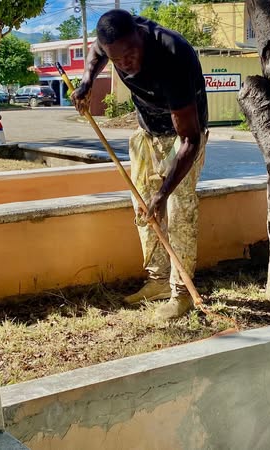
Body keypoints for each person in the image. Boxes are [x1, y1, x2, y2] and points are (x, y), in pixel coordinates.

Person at [71, 9, 209, 319]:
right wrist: (86, 82)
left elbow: (190, 140)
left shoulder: (172, 56)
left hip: (183, 138)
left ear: (140, 34)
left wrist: (163, 193)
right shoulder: (111, 43)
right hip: (147, 131)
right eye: (117, 60)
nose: (125, 63)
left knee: (178, 210)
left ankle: (181, 293)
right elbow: (96, 51)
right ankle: (158, 280)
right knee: (143, 208)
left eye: (130, 54)